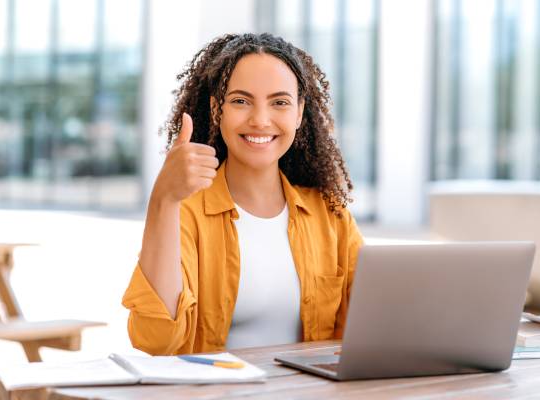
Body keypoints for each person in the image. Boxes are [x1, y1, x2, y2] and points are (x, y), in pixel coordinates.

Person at [122, 33, 363, 355]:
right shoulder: (186, 211)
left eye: (279, 102)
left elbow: (371, 325)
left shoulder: (329, 214)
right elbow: (156, 341)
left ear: (299, 112)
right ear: (216, 108)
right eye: (240, 101)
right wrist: (164, 199)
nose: (260, 120)